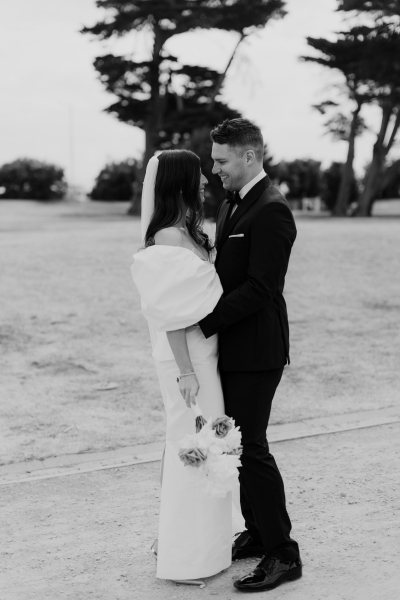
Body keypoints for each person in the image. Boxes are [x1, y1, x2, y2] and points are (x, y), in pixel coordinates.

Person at [197, 118, 302, 592]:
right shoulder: (229, 203)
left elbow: (263, 287)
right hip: (233, 345)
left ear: (249, 156)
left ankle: (284, 554)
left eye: (221, 160)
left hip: (258, 350)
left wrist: (204, 322)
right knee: (237, 444)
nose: (215, 169)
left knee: (251, 447)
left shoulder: (273, 209)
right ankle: (258, 533)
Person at [131, 150, 236, 583]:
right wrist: (185, 371)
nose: (206, 181)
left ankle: (206, 543)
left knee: (212, 439)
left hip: (204, 353)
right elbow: (169, 313)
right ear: (180, 183)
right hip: (184, 359)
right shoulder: (167, 237)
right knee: (189, 443)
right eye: (198, 176)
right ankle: (183, 556)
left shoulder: (192, 231)